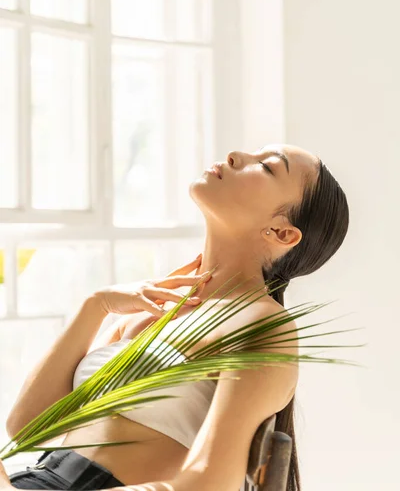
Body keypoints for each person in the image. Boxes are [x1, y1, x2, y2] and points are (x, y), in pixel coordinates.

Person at [4, 143, 349, 491]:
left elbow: (210, 482)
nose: (235, 156)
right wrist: (96, 305)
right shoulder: (149, 311)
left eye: (268, 167)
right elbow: (27, 427)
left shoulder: (260, 325)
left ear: (282, 233)